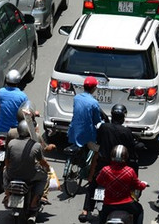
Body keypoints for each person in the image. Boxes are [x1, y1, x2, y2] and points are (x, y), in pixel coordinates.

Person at [81, 105, 147, 219]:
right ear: (123, 117)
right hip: (118, 166)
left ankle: (85, 211)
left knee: (92, 185)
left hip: (102, 164)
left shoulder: (104, 128)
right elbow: (131, 149)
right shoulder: (126, 131)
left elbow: (99, 140)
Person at [71, 76, 105, 221]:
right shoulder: (94, 103)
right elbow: (97, 121)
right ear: (94, 88)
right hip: (88, 135)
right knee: (97, 153)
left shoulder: (77, 98)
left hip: (74, 131)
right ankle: (91, 177)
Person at [5, 119, 50, 219]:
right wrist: (47, 168)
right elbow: (42, 162)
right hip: (30, 177)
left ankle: (7, 195)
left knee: (5, 174)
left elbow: (7, 162)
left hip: (12, 175)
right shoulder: (36, 145)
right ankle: (34, 202)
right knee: (44, 177)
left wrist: (9, 169)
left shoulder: (11, 143)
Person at [96, 145, 148, 224]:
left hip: (108, 205)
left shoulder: (105, 170)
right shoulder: (130, 171)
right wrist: (144, 184)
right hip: (127, 204)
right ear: (126, 157)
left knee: (102, 219)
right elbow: (138, 185)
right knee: (139, 210)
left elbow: (99, 181)